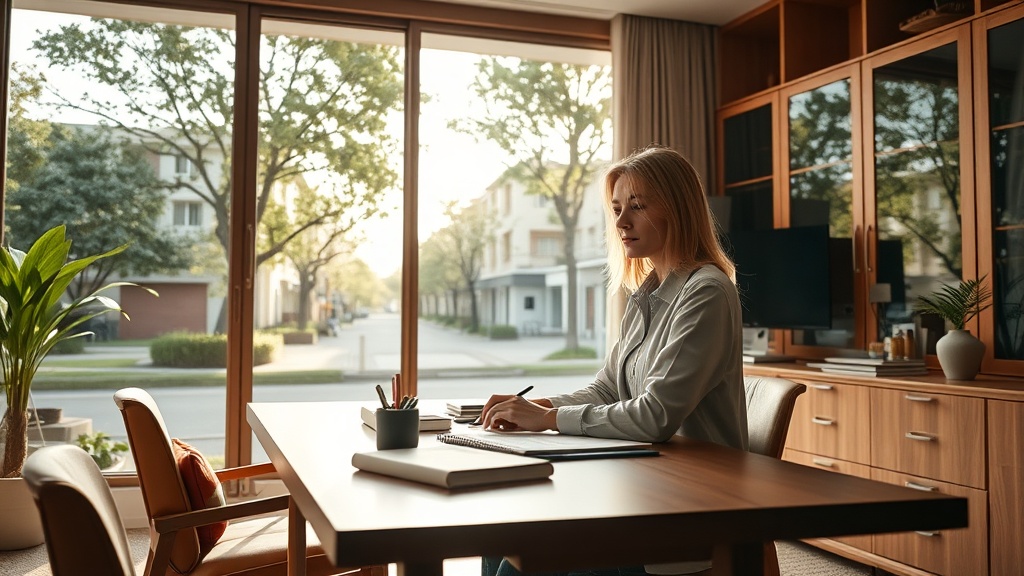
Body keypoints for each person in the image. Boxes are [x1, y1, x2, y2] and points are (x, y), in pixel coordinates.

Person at [479, 145, 748, 576]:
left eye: (637, 207)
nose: (621, 222)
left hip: (688, 510)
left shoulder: (706, 291)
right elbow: (606, 388)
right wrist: (537, 407)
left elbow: (655, 415)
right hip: (642, 485)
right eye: (618, 208)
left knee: (522, 559)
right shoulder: (647, 292)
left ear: (678, 209)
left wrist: (548, 421)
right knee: (500, 537)